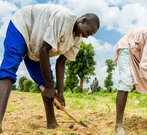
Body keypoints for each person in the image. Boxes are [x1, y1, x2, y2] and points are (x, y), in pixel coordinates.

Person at [0, 4, 100, 133]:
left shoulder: (77, 39)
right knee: (9, 69)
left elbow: (61, 63)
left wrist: (60, 93)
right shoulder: (64, 18)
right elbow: (44, 50)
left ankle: (52, 123)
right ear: (83, 20)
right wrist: (48, 86)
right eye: (88, 32)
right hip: (22, 26)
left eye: (90, 35)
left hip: (36, 47)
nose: (86, 36)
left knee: (47, 82)